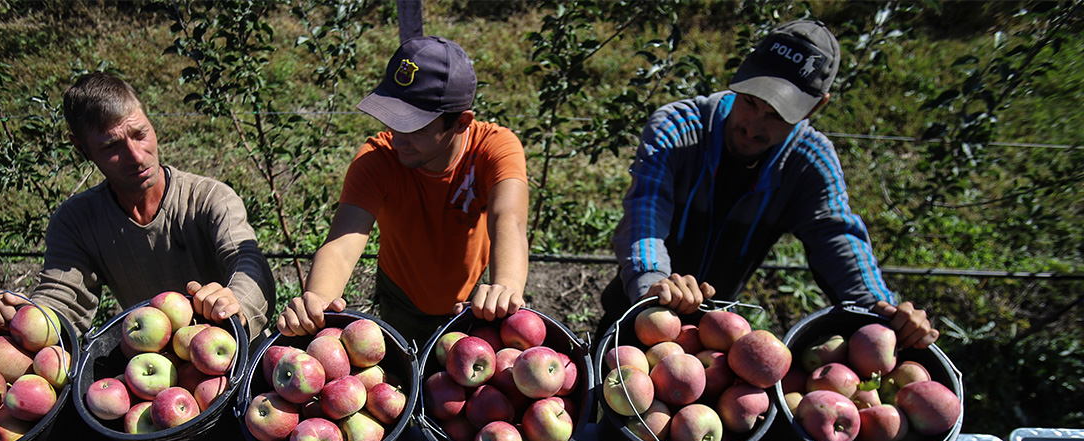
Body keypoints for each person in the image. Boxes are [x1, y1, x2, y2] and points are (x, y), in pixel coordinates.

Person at [601, 20, 938, 349]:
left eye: (777, 115)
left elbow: (837, 238)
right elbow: (645, 212)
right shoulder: (679, 129)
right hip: (638, 306)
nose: (753, 126)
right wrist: (653, 281)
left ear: (817, 107)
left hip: (716, 334)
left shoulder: (808, 163)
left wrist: (880, 310)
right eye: (749, 101)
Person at [0, 72, 275, 339]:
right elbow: (62, 299)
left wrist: (235, 303)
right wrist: (21, 318)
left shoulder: (208, 198)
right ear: (81, 148)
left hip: (228, 352)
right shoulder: (77, 222)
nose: (136, 156)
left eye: (140, 134)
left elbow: (247, 261)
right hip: (149, 362)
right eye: (112, 146)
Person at [275, 35, 530, 347]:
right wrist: (317, 303)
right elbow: (341, 246)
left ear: (461, 123)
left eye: (417, 129)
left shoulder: (493, 149)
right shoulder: (377, 160)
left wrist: (505, 286)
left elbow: (509, 221)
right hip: (400, 296)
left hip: (471, 302)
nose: (398, 140)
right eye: (394, 122)